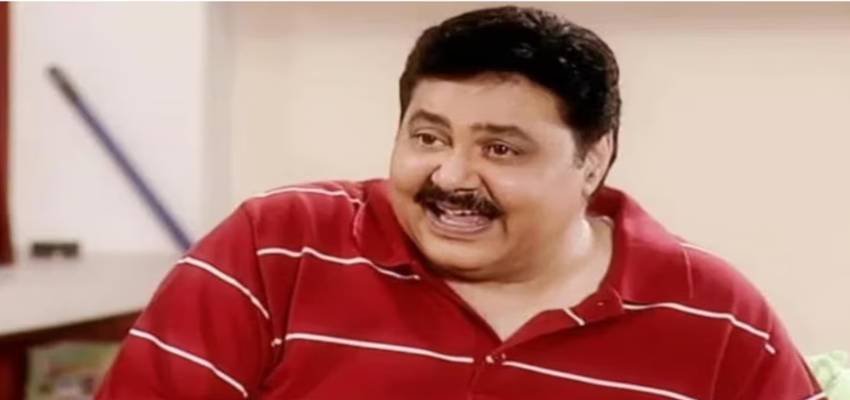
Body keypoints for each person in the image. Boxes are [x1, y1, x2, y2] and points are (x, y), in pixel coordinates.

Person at [96, 6, 825, 399]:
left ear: (593, 160)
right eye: (429, 137)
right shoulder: (278, 245)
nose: (451, 176)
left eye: (500, 149)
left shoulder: (717, 318)